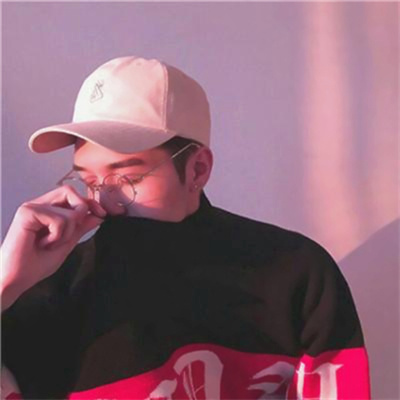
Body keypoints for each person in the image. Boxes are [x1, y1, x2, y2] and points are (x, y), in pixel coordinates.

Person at [1, 56, 371, 399]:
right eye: (89, 181)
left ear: (197, 169)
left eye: (127, 177)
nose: (103, 201)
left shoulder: (294, 272)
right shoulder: (55, 287)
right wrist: (6, 281)